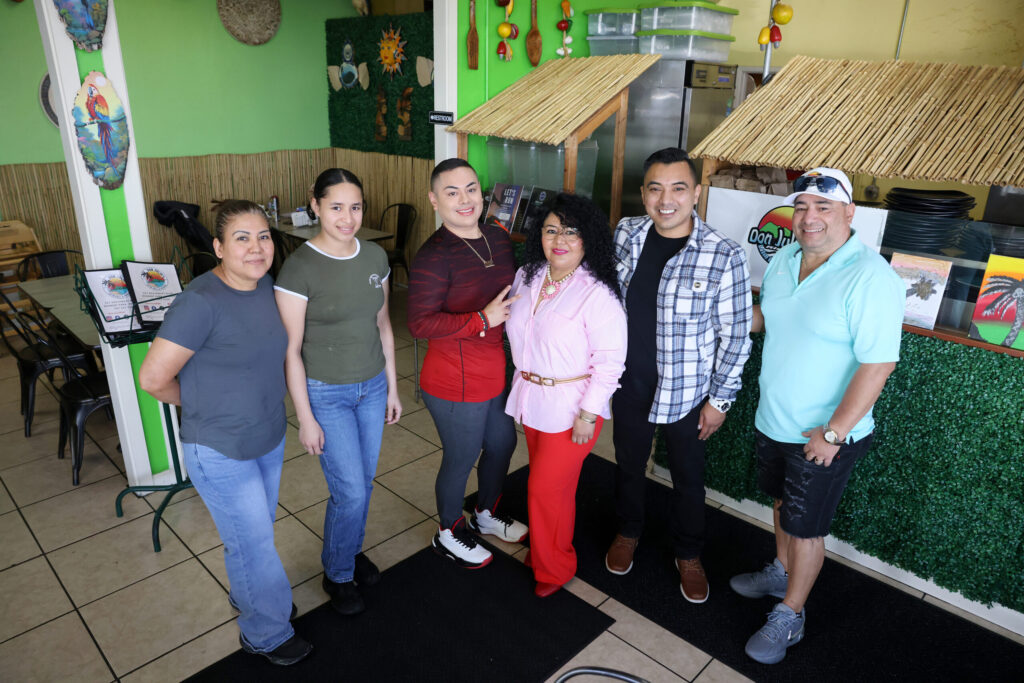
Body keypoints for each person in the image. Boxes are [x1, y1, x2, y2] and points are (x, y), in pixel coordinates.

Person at [729, 168, 904, 664]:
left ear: (850, 213)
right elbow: (770, 318)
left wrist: (833, 433)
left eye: (824, 207)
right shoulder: (785, 258)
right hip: (775, 419)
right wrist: (730, 317)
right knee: (785, 506)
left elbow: (879, 364)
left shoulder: (871, 277)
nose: (809, 218)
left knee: (807, 528)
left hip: (825, 435)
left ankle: (792, 612)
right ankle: (781, 571)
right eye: (802, 207)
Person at [139, 200, 312, 666]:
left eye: (264, 237)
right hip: (218, 448)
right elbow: (153, 379)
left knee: (249, 536)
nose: (257, 248)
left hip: (267, 436)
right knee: (255, 541)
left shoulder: (266, 287)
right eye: (242, 238)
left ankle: (252, 595)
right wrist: (205, 406)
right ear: (217, 247)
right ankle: (266, 633)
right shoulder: (199, 302)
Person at [607, 147, 753, 604]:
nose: (665, 199)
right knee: (629, 467)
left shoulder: (723, 254)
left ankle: (688, 554)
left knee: (688, 478)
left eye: (677, 188)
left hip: (689, 394)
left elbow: (737, 336)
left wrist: (720, 401)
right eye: (655, 188)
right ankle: (629, 531)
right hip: (629, 385)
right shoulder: (626, 234)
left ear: (696, 193)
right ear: (644, 193)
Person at [275, 168, 402, 616]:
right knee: (349, 491)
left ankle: (344, 551)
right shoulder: (299, 268)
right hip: (325, 393)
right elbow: (290, 350)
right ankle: (338, 573)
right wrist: (305, 416)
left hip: (372, 387)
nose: (347, 218)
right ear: (315, 205)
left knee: (362, 486)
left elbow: (383, 324)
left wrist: (392, 387)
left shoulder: (373, 257)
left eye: (355, 207)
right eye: (336, 207)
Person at [408, 158, 528, 569]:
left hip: (493, 366)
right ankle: (448, 531)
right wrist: (480, 320)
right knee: (461, 457)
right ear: (434, 200)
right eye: (452, 192)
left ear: (483, 192)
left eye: (471, 189)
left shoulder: (496, 234)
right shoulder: (433, 256)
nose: (464, 200)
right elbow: (419, 323)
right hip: (453, 376)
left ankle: (486, 514)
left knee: (502, 443)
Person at [505, 193, 627, 597]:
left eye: (571, 231)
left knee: (542, 490)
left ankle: (554, 568)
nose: (559, 239)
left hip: (573, 409)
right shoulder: (527, 276)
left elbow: (610, 365)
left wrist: (589, 414)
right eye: (551, 229)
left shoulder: (598, 295)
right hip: (531, 400)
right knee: (554, 491)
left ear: (587, 238)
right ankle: (546, 549)